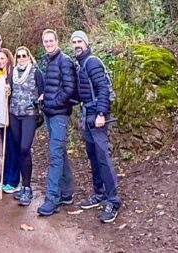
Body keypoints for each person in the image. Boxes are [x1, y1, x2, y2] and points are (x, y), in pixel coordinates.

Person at [71, 30, 121, 223]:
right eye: (74, 42)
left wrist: (101, 113)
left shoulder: (92, 62)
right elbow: (82, 92)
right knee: (92, 155)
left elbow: (103, 89)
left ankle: (113, 201)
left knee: (103, 157)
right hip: (87, 115)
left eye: (79, 41)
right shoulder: (80, 64)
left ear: (86, 43)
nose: (77, 45)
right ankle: (99, 193)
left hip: (96, 116)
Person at [36, 29, 78, 216]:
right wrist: (44, 97)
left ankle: (52, 198)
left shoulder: (64, 61)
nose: (48, 44)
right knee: (60, 152)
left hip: (59, 114)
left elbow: (69, 89)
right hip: (50, 113)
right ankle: (67, 193)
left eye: (51, 40)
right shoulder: (49, 61)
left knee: (54, 155)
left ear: (57, 41)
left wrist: (52, 103)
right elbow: (53, 85)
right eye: (45, 41)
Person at [9, 46, 44, 206]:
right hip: (14, 114)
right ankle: (23, 186)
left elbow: (42, 91)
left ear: (29, 57)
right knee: (18, 148)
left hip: (29, 114)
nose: (21, 58)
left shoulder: (36, 72)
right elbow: (9, 91)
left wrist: (40, 102)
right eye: (19, 56)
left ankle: (28, 187)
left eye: (24, 55)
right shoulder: (13, 73)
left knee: (25, 148)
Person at [0, 48, 20, 195]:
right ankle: (5, 178)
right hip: (2, 114)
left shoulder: (13, 73)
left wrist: (10, 91)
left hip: (12, 115)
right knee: (5, 148)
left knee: (13, 147)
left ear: (8, 58)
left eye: (2, 58)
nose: (0, 61)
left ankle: (14, 181)